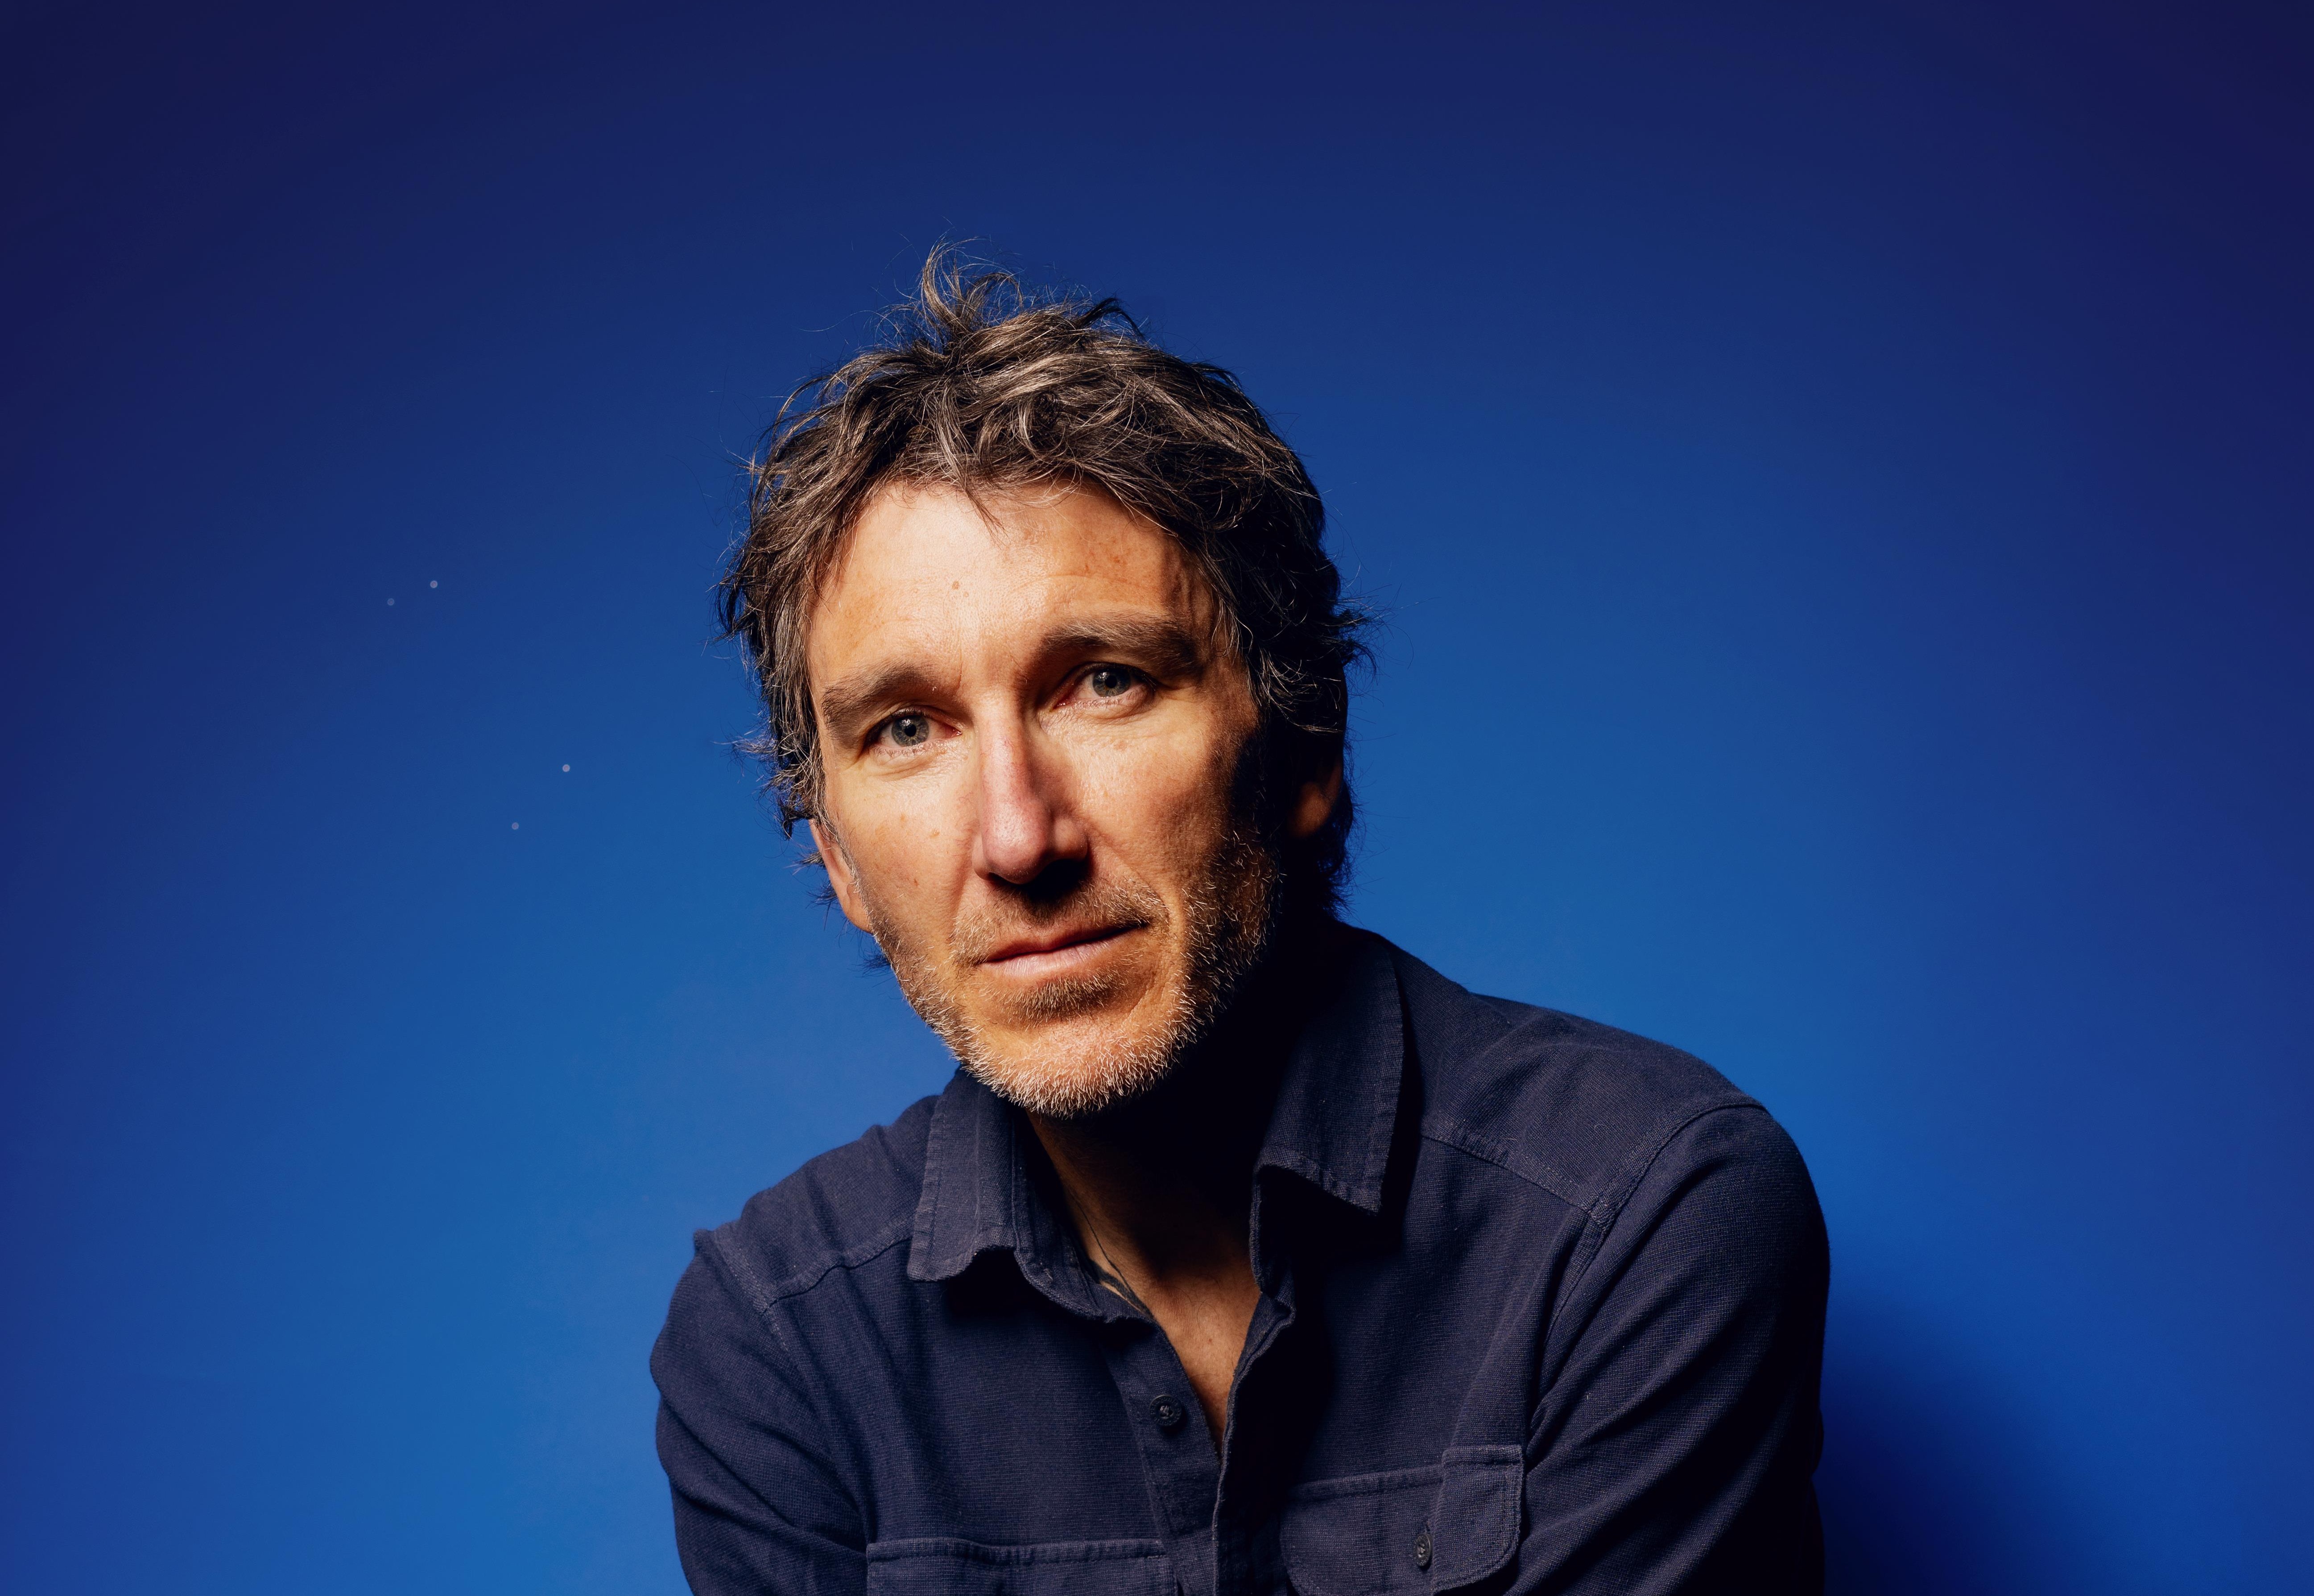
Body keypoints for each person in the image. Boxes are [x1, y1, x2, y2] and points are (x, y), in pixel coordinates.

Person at [651, 249, 1829, 1596]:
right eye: (906, 728)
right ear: (839, 861)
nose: (1018, 838)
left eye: (1105, 681)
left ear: (1306, 747)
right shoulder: (778, 1341)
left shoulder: (1638, 1212)